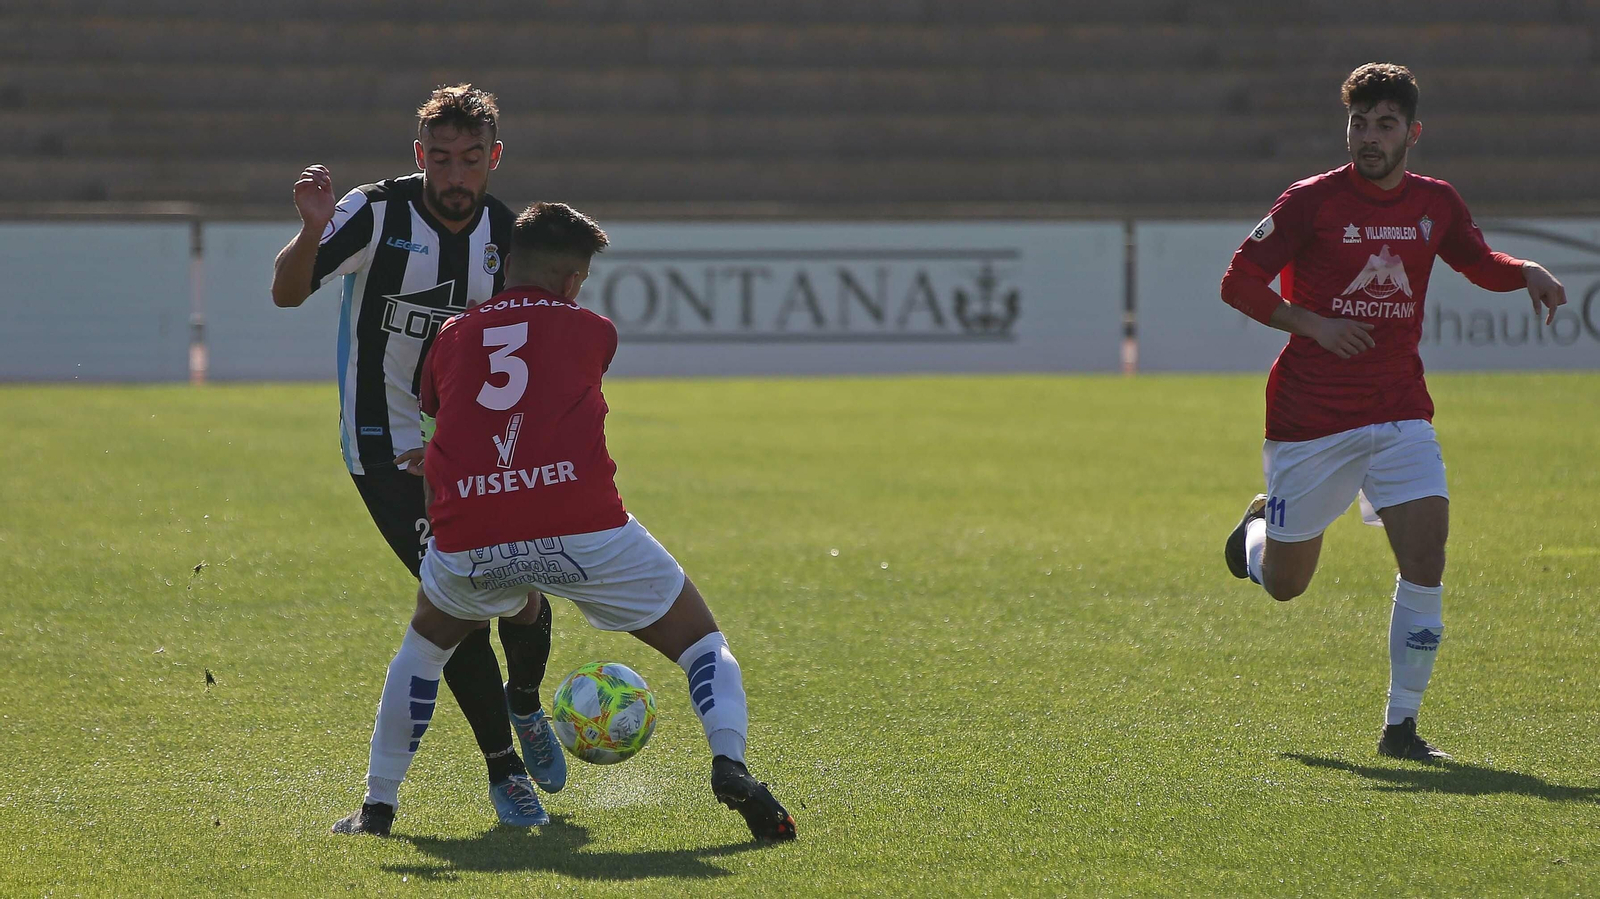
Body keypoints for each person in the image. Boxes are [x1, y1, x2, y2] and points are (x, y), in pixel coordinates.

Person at [332, 202, 797, 842]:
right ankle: (731, 762)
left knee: (422, 651)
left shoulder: (454, 335)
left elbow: (455, 407)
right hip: (583, 527)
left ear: (506, 267)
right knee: (702, 646)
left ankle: (378, 808)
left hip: (472, 533)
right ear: (573, 278)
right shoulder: (594, 328)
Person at [1219, 63, 1567, 761]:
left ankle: (1401, 728)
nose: (1367, 137)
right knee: (1288, 586)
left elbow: (1475, 260)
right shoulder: (1309, 202)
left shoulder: (1435, 203)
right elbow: (1238, 282)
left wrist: (1523, 270)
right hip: (1310, 418)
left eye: (1383, 125)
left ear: (1412, 132)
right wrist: (1312, 323)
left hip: (1399, 409)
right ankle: (1257, 536)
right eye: (1358, 123)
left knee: (1426, 553)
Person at [268, 84, 564, 827]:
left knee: (523, 597)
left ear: (493, 158)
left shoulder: (506, 235)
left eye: (470, 159)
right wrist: (309, 231)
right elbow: (287, 292)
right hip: (385, 446)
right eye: (440, 159)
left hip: (479, 452)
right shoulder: (375, 213)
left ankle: (525, 703)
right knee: (456, 596)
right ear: (419, 157)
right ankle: (505, 772)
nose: (455, 175)